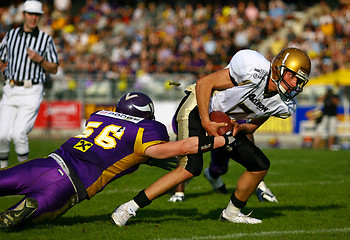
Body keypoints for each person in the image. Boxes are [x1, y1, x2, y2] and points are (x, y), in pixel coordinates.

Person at [112, 47, 311, 226]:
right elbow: (204, 83)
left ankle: (232, 213)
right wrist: (206, 121)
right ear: (278, 68)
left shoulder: (285, 105)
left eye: (299, 81)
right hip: (199, 108)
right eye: (292, 76)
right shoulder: (253, 67)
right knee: (190, 167)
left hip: (223, 123)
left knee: (259, 165)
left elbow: (252, 125)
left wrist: (240, 128)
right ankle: (128, 207)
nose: (294, 84)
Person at [0, 92, 234, 229]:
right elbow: (179, 147)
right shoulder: (146, 129)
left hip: (50, 162)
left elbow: (108, 146)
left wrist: (143, 158)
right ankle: (32, 206)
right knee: (37, 214)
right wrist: (221, 142)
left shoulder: (99, 115)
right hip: (73, 184)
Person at [0, 0, 59, 168]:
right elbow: (1, 58)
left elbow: (54, 68)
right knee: (2, 135)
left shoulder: (45, 40)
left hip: (31, 89)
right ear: (24, 15)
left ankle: (24, 174)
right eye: (31, 14)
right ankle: (4, 173)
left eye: (37, 15)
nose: (33, 18)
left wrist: (39, 59)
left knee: (19, 133)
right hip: (10, 88)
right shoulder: (11, 36)